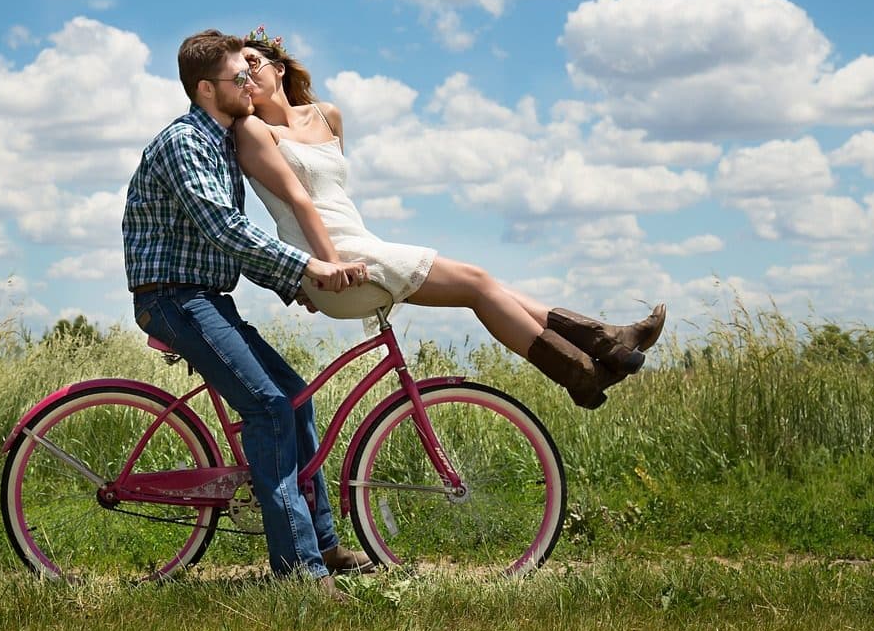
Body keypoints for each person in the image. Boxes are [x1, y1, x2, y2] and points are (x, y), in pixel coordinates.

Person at [234, 26, 667, 410]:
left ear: (279, 68)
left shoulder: (327, 116)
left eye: (253, 63)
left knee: (485, 285)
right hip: (332, 260)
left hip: (357, 244)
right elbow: (300, 203)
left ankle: (602, 348)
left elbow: (336, 197)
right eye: (237, 73)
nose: (246, 75)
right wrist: (321, 268)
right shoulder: (254, 131)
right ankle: (587, 363)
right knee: (478, 284)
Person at [122, 29, 373, 596]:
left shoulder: (220, 143)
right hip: (172, 298)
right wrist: (311, 268)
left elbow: (227, 245)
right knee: (269, 408)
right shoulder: (186, 142)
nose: (250, 85)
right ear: (208, 89)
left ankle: (325, 546)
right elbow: (224, 229)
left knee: (296, 397)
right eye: (240, 77)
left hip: (207, 296)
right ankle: (299, 572)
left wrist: (293, 285)